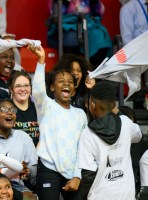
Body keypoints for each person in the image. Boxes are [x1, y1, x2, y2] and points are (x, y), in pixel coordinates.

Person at [30, 44, 87, 200]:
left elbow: (84, 148)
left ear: (74, 89)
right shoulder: (46, 106)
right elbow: (37, 91)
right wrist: (41, 60)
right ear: (52, 87)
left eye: (70, 81)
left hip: (73, 172)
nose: (66, 83)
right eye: (61, 81)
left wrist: (77, 176)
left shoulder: (80, 114)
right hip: (48, 169)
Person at [77, 81, 142, 200]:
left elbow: (88, 175)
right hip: (126, 195)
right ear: (114, 105)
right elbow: (139, 135)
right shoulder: (126, 123)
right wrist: (116, 110)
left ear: (92, 104)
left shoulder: (88, 133)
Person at [0, 99, 37, 199]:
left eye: (13, 110)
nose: (10, 112)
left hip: (15, 184)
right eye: (4, 109)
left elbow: (34, 170)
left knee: (30, 198)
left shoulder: (24, 137)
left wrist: (27, 171)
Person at [8, 71, 39, 146]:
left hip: (36, 155)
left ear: (30, 88)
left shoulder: (38, 109)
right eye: (18, 86)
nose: (23, 89)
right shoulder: (6, 109)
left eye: (26, 85)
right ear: (11, 90)